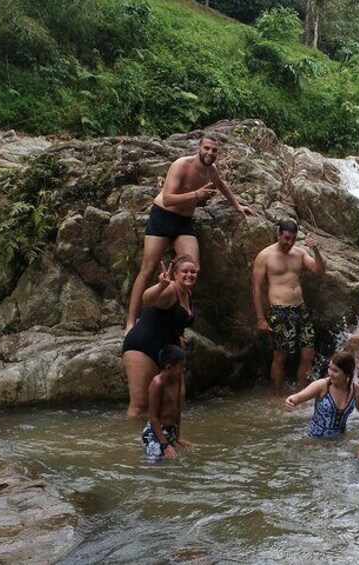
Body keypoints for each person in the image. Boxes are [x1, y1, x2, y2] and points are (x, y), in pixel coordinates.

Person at [125, 134, 256, 333]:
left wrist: (237, 205)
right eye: (207, 148)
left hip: (184, 222)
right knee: (148, 268)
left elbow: (220, 184)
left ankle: (176, 316)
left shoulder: (211, 170)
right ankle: (131, 321)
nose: (210, 153)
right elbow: (168, 198)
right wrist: (196, 194)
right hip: (163, 216)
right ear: (199, 148)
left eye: (214, 150)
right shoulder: (181, 165)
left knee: (192, 268)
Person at [252, 219, 326, 394]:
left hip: (300, 309)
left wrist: (315, 249)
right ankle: (277, 394)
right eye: (286, 238)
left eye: (293, 239)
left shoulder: (299, 253)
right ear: (279, 234)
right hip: (280, 310)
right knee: (280, 356)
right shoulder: (265, 256)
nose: (289, 243)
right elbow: (256, 287)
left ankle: (301, 393)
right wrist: (260, 318)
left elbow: (319, 271)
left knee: (308, 354)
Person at [123, 256, 196, 417]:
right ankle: (129, 441)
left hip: (169, 350)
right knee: (140, 405)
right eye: (185, 271)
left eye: (193, 272)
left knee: (177, 398)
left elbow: (176, 319)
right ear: (175, 274)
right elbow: (147, 299)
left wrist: (179, 335)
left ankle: (170, 437)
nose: (189, 275)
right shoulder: (170, 289)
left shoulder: (188, 294)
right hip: (142, 346)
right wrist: (161, 285)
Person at [284, 351, 359, 438]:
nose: (330, 373)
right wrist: (291, 401)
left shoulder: (355, 389)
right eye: (329, 368)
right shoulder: (322, 385)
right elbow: (299, 397)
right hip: (313, 441)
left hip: (339, 442)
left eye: (335, 371)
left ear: (347, 373)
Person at [142, 344, 194, 460]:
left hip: (170, 432)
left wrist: (178, 437)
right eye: (181, 366)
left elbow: (177, 409)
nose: (184, 369)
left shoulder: (178, 379)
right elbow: (153, 417)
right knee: (157, 467)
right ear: (169, 367)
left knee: (175, 464)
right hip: (155, 433)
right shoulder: (157, 383)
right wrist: (164, 444)